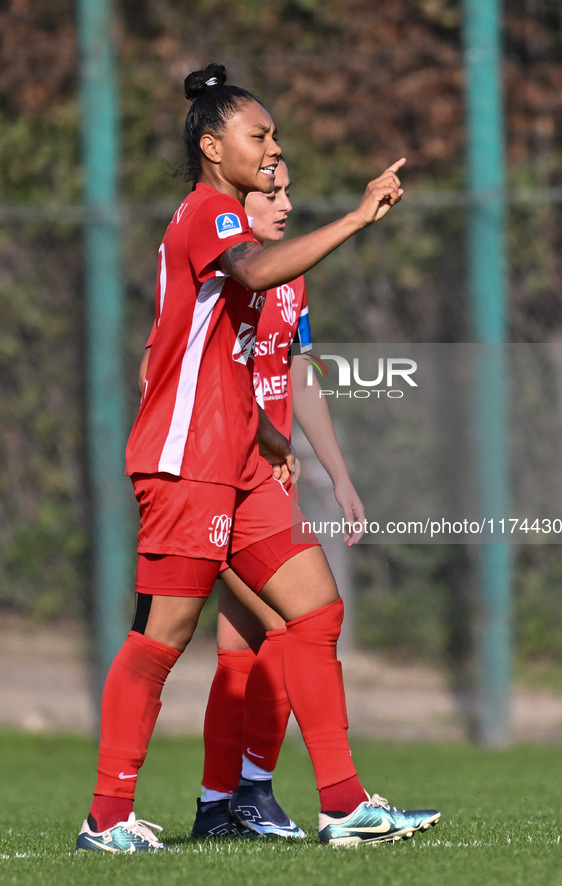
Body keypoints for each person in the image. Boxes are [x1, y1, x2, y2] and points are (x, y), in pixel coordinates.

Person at [76, 62, 439, 854]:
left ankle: (342, 805)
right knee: (159, 641)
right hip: (187, 462)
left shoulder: (234, 225)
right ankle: (106, 818)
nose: (272, 150)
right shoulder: (208, 213)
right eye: (259, 136)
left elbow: (231, 356)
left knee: (315, 609)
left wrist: (275, 443)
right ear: (214, 147)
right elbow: (246, 280)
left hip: (239, 460)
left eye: (274, 137)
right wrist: (354, 219)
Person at [190, 157, 366, 840]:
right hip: (223, 477)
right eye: (271, 190)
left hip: (265, 480)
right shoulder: (224, 273)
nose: (285, 201)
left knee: (243, 650)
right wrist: (260, 442)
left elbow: (299, 376)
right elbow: (164, 367)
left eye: (289, 188)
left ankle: (217, 806)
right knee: (300, 624)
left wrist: (338, 473)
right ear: (237, 201)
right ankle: (263, 792)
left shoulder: (288, 279)